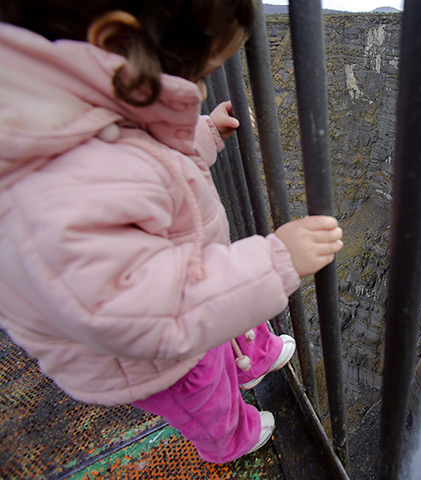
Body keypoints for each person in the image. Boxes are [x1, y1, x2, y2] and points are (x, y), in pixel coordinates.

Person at [0, 0, 343, 464]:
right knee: (205, 398)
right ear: (119, 45)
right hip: (150, 358)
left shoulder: (76, 118)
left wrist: (204, 133)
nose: (200, 88)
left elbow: (143, 162)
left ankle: (251, 361)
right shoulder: (45, 192)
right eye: (200, 74)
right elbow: (148, 312)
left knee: (218, 324)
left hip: (176, 306)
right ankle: (232, 440)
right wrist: (276, 262)